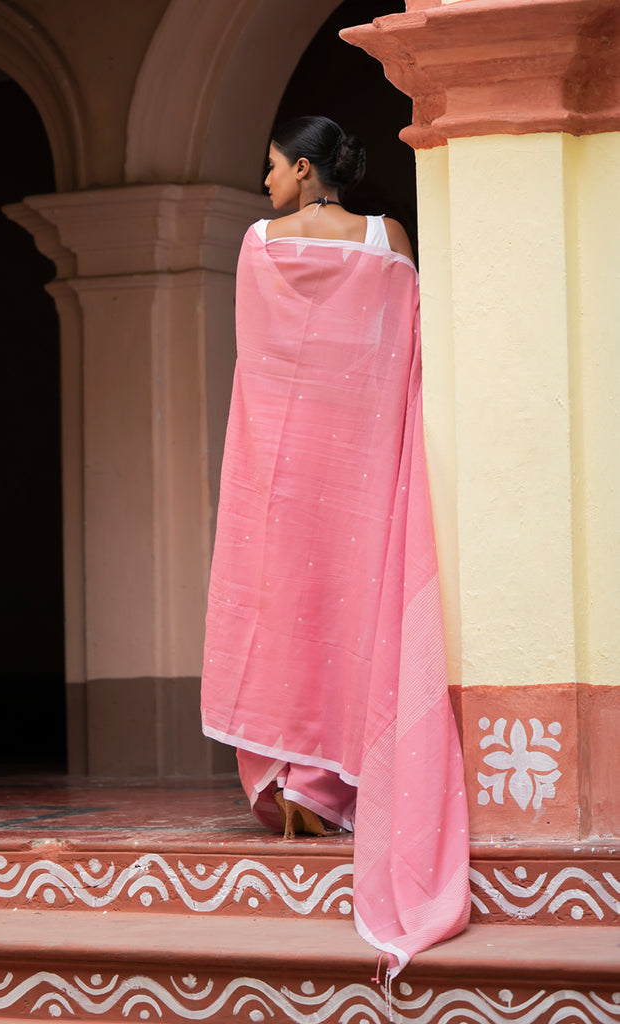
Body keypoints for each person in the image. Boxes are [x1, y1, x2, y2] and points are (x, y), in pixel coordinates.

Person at [201, 116, 470, 984]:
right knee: (360, 609)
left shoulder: (256, 245)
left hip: (283, 461)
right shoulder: (388, 240)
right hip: (363, 460)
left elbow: (261, 362)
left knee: (285, 609)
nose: (265, 184)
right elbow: (405, 348)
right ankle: (336, 786)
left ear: (304, 166)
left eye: (271, 166)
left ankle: (295, 785)